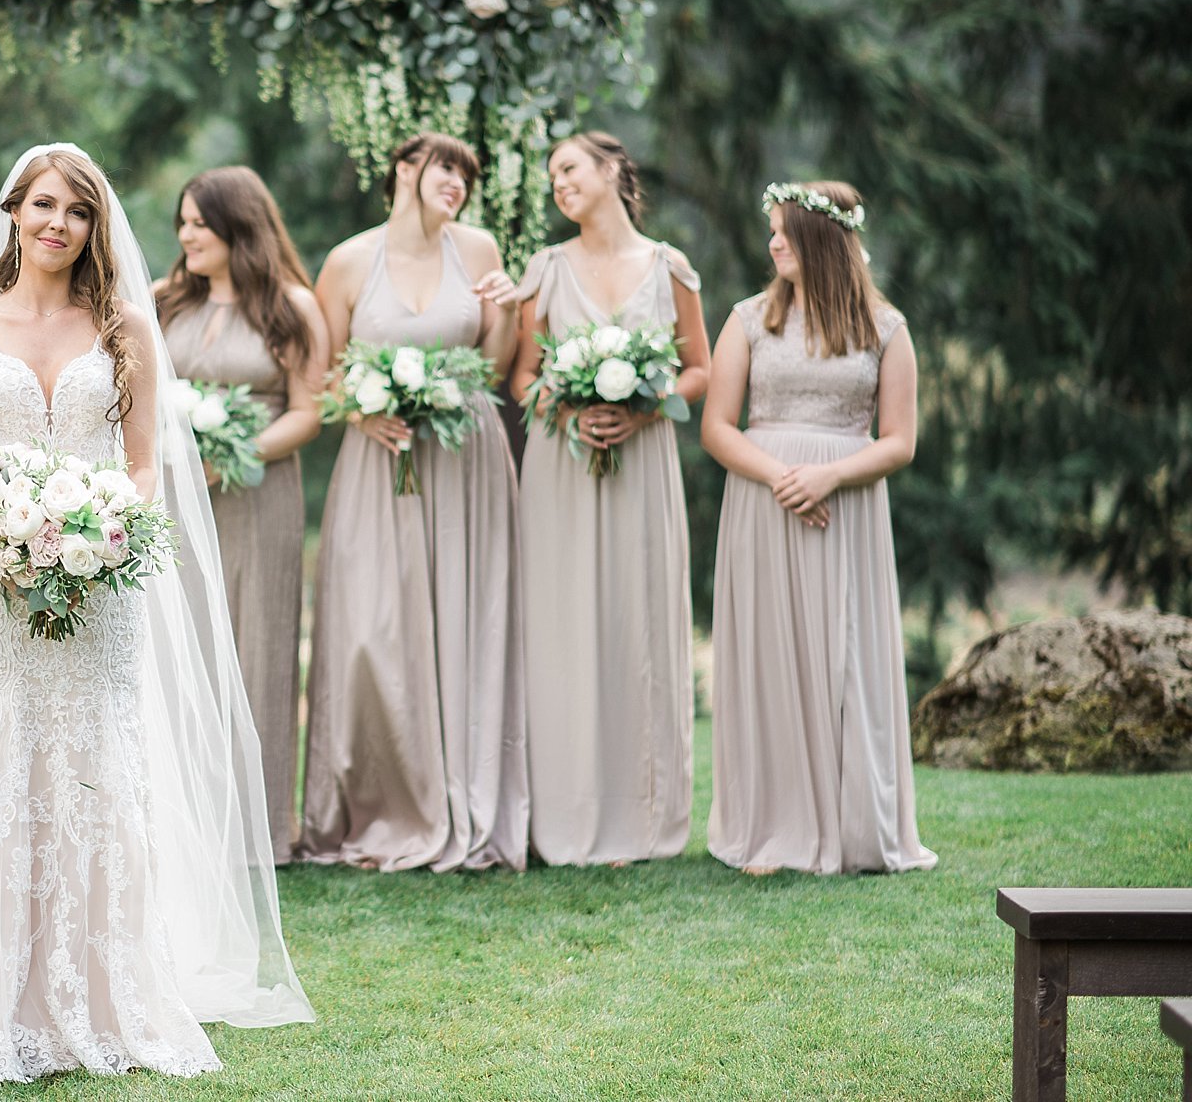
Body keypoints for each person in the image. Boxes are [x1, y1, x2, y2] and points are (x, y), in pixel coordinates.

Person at [0, 143, 312, 1082]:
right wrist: (0, 536)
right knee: (6, 757)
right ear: (14, 214)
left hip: (102, 581)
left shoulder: (123, 329)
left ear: (94, 227)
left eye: (76, 210)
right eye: (42, 207)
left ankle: (105, 984)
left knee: (97, 764)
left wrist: (105, 532)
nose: (58, 224)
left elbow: (143, 463)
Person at [301, 131, 526, 872]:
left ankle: (462, 798)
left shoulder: (481, 251)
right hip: (379, 460)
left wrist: (506, 311)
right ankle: (381, 802)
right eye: (445, 168)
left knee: (465, 620)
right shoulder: (348, 261)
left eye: (468, 174)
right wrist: (361, 412)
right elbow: (321, 375)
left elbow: (493, 368)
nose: (458, 182)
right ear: (404, 170)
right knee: (375, 630)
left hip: (467, 457)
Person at [701, 181, 936, 876]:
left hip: (847, 508)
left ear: (823, 238)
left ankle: (852, 827)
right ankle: (771, 827)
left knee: (844, 657)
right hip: (762, 501)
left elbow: (899, 441)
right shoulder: (748, 319)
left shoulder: (885, 328)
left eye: (784, 230)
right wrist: (780, 477)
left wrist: (830, 476)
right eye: (770, 230)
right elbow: (717, 426)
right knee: (770, 655)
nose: (772, 242)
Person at [495, 132, 709, 867]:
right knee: (563, 626)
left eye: (570, 168)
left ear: (615, 170)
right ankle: (563, 814)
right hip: (561, 465)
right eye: (551, 175)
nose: (559, 183)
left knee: (636, 622)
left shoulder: (669, 268)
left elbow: (701, 370)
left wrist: (647, 407)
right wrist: (565, 406)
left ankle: (645, 819)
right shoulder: (545, 270)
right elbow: (521, 377)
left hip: (643, 463)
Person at [156, 167, 329, 864]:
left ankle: (258, 828)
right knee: (178, 644)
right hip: (172, 496)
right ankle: (179, 818)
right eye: (184, 222)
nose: (185, 234)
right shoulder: (164, 301)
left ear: (238, 226)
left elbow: (308, 414)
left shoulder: (291, 307)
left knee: (255, 641)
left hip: (259, 494)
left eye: (200, 222)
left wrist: (232, 456)